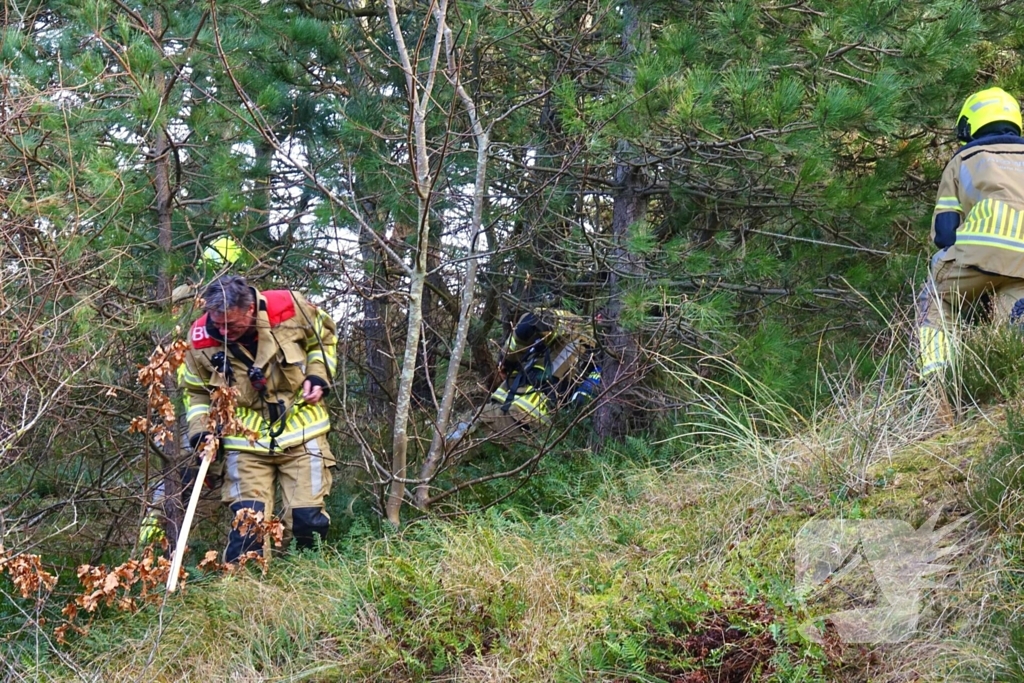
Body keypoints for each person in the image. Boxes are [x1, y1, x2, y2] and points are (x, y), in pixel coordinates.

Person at [181, 274, 338, 562]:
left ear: (250, 308)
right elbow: (196, 393)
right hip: (244, 442)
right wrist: (201, 432)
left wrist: (318, 375)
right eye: (218, 323)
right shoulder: (200, 339)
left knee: (307, 523)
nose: (223, 332)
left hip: (303, 430)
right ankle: (245, 587)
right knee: (247, 531)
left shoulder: (289, 308)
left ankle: (308, 580)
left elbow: (323, 340)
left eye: (231, 324)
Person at [139, 235, 244, 546]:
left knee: (217, 463)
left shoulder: (214, 302)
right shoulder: (184, 300)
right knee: (184, 460)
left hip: (218, 395)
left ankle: (185, 532)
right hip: (190, 396)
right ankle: (158, 528)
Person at [918, 86, 1024, 382]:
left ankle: (937, 376)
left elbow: (944, 233)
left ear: (969, 125)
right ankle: (1013, 369)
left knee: (937, 297)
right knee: (1011, 305)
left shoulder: (964, 159)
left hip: (979, 255)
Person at [447, 306, 601, 449]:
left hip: (510, 413)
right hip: (542, 438)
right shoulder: (608, 363)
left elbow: (531, 323)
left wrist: (506, 361)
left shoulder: (575, 325)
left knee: (447, 449)